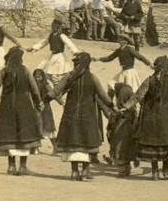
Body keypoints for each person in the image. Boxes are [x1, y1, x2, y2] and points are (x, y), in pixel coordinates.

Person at [42, 52, 114, 181]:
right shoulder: (92, 78)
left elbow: (56, 90)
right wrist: (113, 106)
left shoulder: (69, 76)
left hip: (71, 115)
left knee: (73, 142)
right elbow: (103, 96)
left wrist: (45, 100)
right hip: (88, 115)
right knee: (87, 142)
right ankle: (85, 170)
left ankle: (74, 171)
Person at [0, 46, 42, 176]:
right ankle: (23, 167)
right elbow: (34, 89)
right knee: (25, 134)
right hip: (24, 106)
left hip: (7, 107)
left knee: (9, 135)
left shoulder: (4, 71)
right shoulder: (25, 71)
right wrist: (38, 103)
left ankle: (11, 167)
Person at [119, 56, 168, 181]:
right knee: (167, 142)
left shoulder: (149, 81)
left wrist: (126, 107)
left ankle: (154, 172)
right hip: (167, 117)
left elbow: (138, 95)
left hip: (151, 116)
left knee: (153, 143)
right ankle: (166, 170)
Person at [28, 20, 80, 99]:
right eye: (52, 26)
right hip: (52, 56)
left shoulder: (62, 36)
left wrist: (76, 52)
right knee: (44, 73)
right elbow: (43, 43)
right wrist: (33, 48)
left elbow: (69, 44)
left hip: (59, 57)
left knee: (56, 75)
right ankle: (45, 90)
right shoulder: (50, 35)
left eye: (54, 27)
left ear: (58, 27)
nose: (52, 28)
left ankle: (59, 93)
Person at [106, 83, 137, 177]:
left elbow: (112, 121)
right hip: (130, 129)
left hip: (119, 129)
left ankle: (123, 170)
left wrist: (109, 129)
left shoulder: (118, 111)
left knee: (120, 149)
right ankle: (127, 168)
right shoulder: (133, 111)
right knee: (128, 149)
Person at [32, 69, 56, 149]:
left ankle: (56, 148)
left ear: (43, 77)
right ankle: (35, 148)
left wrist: (61, 102)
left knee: (48, 128)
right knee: (36, 127)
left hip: (45, 109)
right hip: (35, 108)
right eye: (36, 76)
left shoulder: (46, 85)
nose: (38, 78)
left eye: (39, 76)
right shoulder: (32, 86)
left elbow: (53, 94)